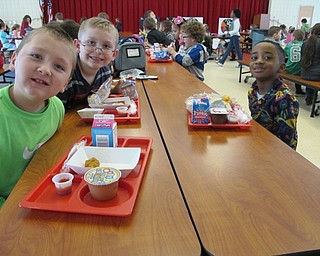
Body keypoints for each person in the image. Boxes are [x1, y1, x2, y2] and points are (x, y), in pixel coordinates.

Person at [0, 24, 77, 208]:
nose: (45, 69)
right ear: (14, 60)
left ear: (65, 83)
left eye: (58, 66)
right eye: (36, 56)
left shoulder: (57, 107)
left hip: (41, 196)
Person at [57, 17, 119, 109]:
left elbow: (100, 99)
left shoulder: (106, 73)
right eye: (91, 42)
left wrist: (114, 89)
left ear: (114, 54)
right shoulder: (66, 74)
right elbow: (57, 112)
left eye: (106, 46)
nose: (98, 50)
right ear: (77, 46)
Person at [248, 40, 299, 150]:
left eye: (267, 58)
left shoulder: (285, 98)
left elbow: (286, 141)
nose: (259, 61)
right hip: (257, 144)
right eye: (254, 58)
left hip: (276, 154)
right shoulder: (253, 90)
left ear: (281, 67)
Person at [301, 23, 320, 106]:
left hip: (304, 73)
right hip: (317, 75)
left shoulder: (305, 42)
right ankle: (311, 96)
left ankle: (310, 96)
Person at [284, 29, 305, 96]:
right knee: (300, 66)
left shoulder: (289, 45)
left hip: (289, 68)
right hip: (300, 71)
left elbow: (284, 55)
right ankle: (299, 90)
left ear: (294, 37)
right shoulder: (304, 45)